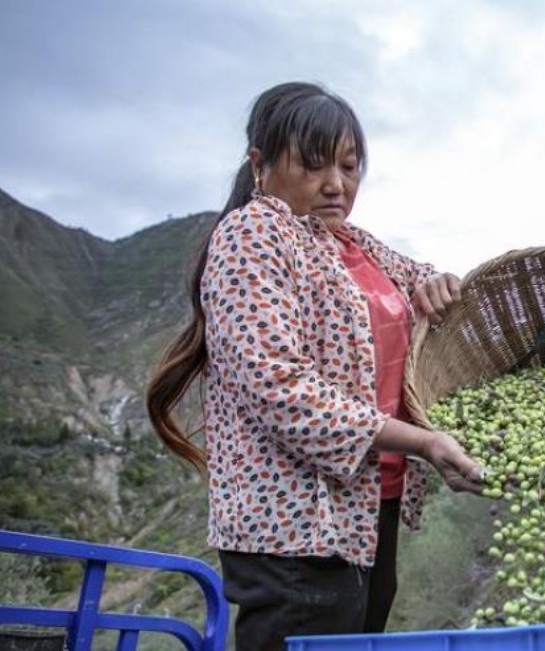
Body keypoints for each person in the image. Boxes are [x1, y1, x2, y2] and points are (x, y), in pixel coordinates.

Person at [146, 81, 484, 651]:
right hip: (293, 526)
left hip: (372, 509)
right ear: (261, 164)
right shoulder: (252, 236)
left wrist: (437, 283)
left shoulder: (357, 244)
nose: (336, 185)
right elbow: (280, 387)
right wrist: (421, 441)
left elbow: (419, 279)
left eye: (350, 168)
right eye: (313, 165)